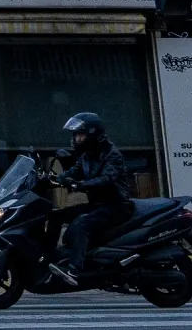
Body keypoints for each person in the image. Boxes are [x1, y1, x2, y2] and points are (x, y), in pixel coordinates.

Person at [50, 111, 134, 284]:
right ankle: (51, 257)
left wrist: (81, 185)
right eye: (75, 136)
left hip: (116, 206)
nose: (76, 139)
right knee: (55, 216)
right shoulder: (87, 156)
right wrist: (54, 179)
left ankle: (74, 270)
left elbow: (107, 179)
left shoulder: (112, 155)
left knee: (82, 224)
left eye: (80, 135)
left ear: (92, 134)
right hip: (97, 204)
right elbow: (73, 171)